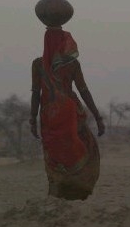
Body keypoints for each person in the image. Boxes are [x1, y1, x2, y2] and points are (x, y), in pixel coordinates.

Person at [30, 27, 105, 201]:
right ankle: (79, 192)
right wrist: (97, 116)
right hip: (71, 114)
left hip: (49, 116)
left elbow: (35, 93)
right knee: (86, 148)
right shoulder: (72, 64)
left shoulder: (38, 64)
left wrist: (33, 119)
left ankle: (57, 192)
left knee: (53, 154)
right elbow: (83, 90)